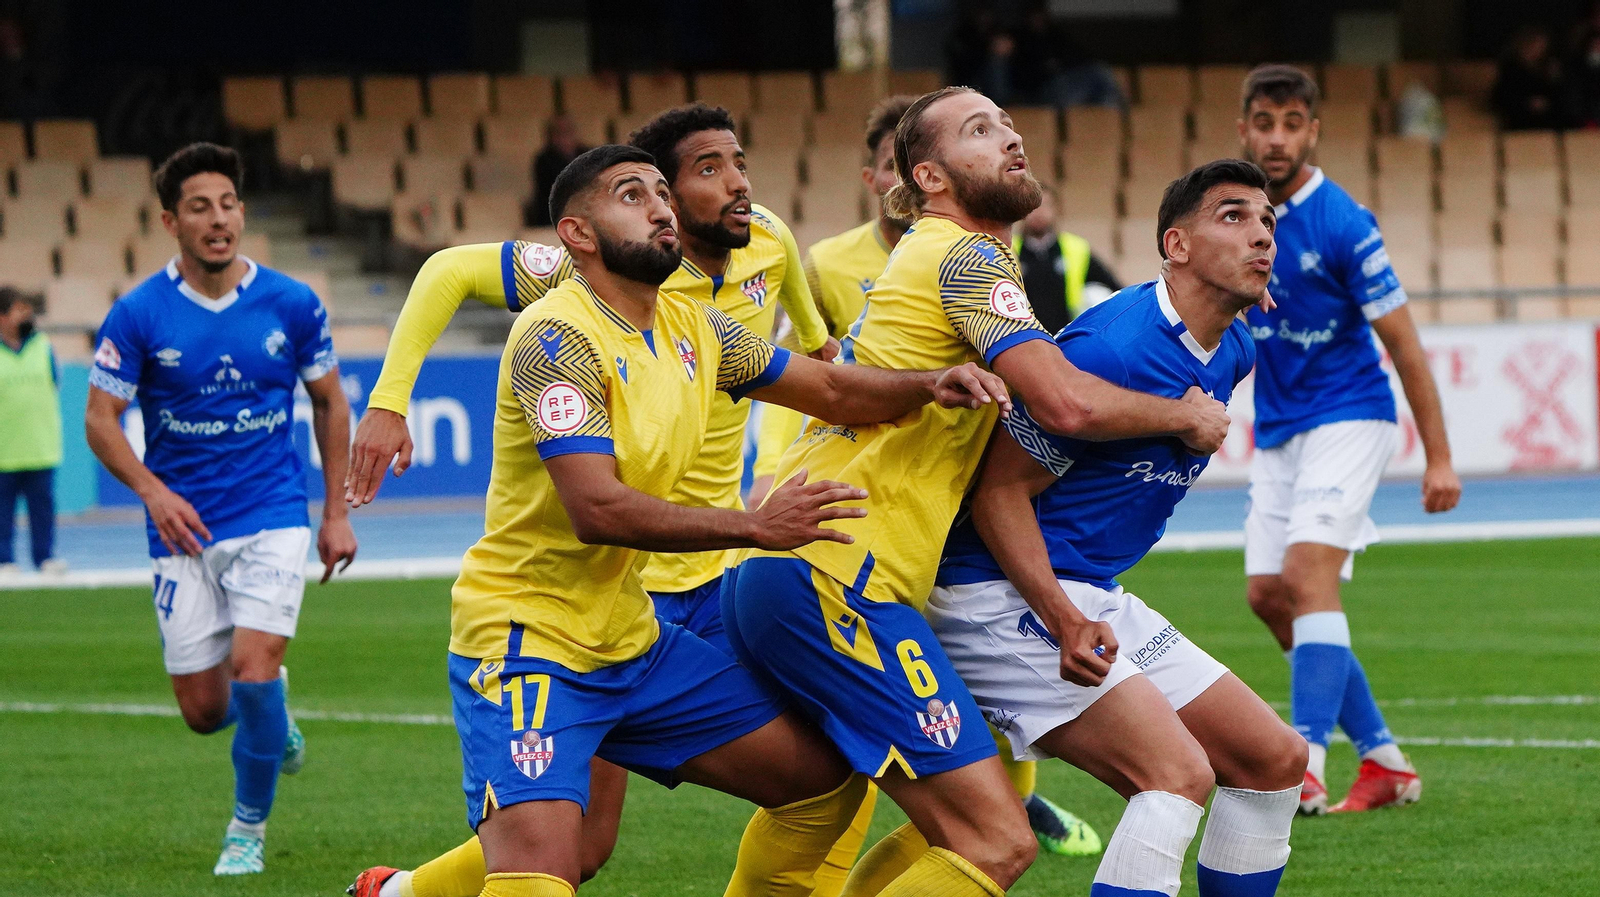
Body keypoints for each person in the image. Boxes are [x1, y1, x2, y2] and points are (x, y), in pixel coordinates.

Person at [365, 143, 1012, 897]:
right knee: (550, 872)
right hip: (527, 645)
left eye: (661, 193)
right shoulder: (556, 335)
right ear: (577, 234)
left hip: (632, 643)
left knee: (823, 783)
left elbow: (831, 389)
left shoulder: (693, 324)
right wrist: (755, 527)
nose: (661, 206)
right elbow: (595, 507)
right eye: (631, 195)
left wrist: (932, 383)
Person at [720, 86, 1233, 897]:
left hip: (805, 574)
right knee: (998, 841)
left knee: (890, 811)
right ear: (930, 175)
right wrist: (1185, 415)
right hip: (839, 576)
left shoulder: (934, 255)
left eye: (1008, 124)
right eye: (980, 130)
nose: (1011, 138)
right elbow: (1063, 400)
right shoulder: (964, 255)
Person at [343, 104, 836, 897]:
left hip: (708, 573)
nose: (736, 184)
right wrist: (391, 397)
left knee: (823, 771)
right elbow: (447, 271)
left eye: (737, 163)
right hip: (627, 569)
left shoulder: (771, 246)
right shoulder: (581, 280)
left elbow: (821, 360)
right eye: (705, 170)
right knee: (582, 847)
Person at [932, 159, 1307, 897]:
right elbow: (997, 497)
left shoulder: (1235, 349)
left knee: (1273, 759)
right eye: (1233, 216)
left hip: (1092, 591)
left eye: (1268, 220)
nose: (1261, 233)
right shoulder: (1111, 347)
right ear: (1177, 245)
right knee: (1175, 774)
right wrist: (1064, 616)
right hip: (999, 594)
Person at [81, 142, 358, 875]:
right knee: (206, 711)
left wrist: (336, 513)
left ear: (242, 213)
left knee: (255, 666)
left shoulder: (292, 303)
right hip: (181, 527)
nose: (218, 219)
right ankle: (273, 722)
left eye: (229, 204)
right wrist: (154, 491)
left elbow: (330, 402)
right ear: (171, 220)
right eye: (200, 207)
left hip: (272, 512)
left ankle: (247, 830)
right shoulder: (138, 313)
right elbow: (100, 419)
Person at [1235, 65, 1461, 814]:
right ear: (1243, 129)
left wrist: (1440, 455)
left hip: (1352, 413)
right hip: (1281, 429)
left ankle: (1305, 759)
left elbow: (1405, 344)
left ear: (1313, 131)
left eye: (1292, 122)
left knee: (1305, 576)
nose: (1277, 136)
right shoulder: (1236, 220)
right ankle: (1385, 760)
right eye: (1264, 121)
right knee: (1269, 595)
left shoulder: (1343, 222)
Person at [0, 286, 65, 575]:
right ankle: (4, 560)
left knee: (42, 509)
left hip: (40, 445)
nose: (26, 316)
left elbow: (55, 382)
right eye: (19, 310)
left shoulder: (43, 346)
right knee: (2, 513)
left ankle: (45, 557)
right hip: (4, 449)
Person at [1012, 191, 1122, 334]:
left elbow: (1115, 288)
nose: (1039, 212)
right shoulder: (1009, 250)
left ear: (1056, 209)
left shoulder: (1076, 249)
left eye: (1045, 205)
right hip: (1023, 339)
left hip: (1068, 339)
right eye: (1031, 206)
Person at [1492, 26, 1566, 131]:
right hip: (1520, 118)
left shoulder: (1547, 67)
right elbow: (1502, 96)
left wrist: (1554, 78)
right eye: (1536, 44)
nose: (1539, 49)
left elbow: (1556, 94)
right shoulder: (1511, 68)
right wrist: (1527, 103)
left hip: (1546, 119)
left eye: (1542, 45)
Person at [528, 115, 588, 227]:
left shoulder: (587, 154)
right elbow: (548, 193)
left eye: (568, 131)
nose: (565, 137)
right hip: (552, 216)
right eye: (560, 133)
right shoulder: (543, 160)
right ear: (552, 137)